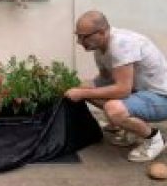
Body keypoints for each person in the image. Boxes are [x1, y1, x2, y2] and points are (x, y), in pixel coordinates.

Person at [65, 10, 167, 162]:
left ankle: (154, 139)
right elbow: (105, 79)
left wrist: (81, 93)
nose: (79, 42)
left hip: (160, 98)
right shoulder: (100, 49)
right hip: (140, 93)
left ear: (101, 32)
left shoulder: (120, 45)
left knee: (113, 109)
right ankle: (131, 130)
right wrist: (80, 87)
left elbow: (122, 90)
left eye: (83, 36)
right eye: (77, 35)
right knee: (85, 90)